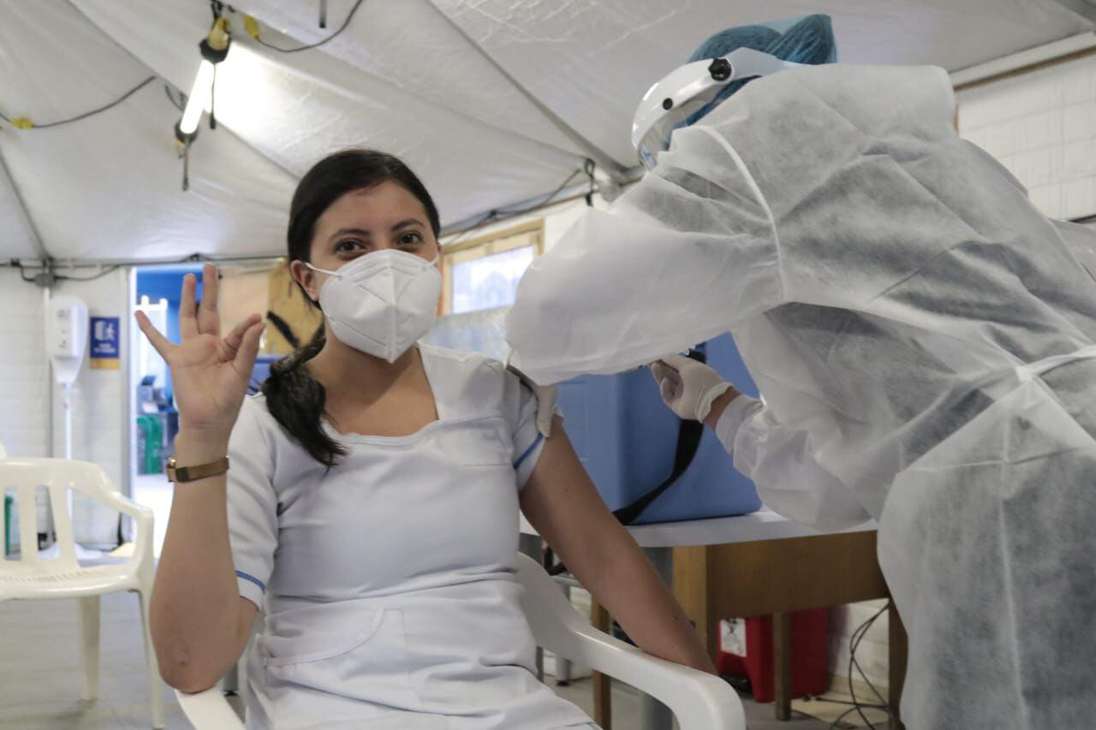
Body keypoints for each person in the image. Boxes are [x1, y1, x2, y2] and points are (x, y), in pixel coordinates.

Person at [506, 14, 1096, 730]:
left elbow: (553, 309)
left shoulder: (772, 135)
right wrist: (719, 405)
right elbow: (837, 479)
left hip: (1026, 500)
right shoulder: (932, 179)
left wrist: (537, 367)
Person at [137, 149, 714, 729]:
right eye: (351, 246)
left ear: (436, 256)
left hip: (511, 714)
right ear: (306, 279)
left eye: (408, 238)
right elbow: (191, 663)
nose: (385, 262)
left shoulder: (496, 396)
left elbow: (604, 556)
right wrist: (204, 437)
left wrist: (704, 687)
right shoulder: (262, 429)